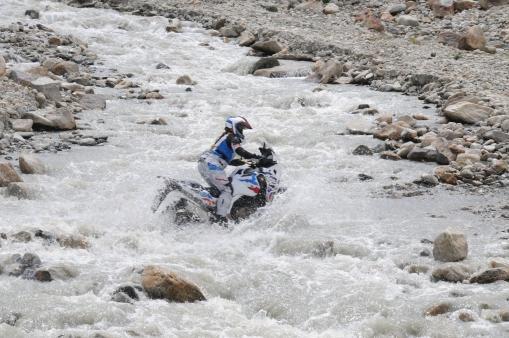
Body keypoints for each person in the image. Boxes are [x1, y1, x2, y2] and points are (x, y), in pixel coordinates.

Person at [198, 116, 260, 222]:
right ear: (234, 126)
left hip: (206, 163)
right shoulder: (233, 137)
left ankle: (211, 208)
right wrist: (257, 157)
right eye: (241, 128)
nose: (242, 131)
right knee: (227, 190)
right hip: (211, 164)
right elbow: (241, 151)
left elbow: (230, 161)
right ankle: (220, 217)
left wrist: (250, 163)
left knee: (219, 190)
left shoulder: (226, 137)